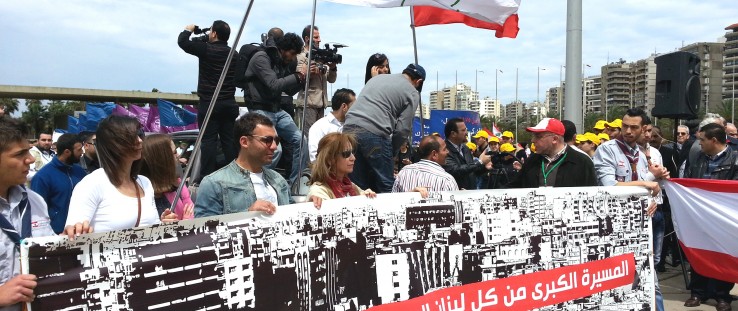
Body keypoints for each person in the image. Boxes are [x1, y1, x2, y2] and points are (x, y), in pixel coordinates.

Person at [592, 108, 665, 310]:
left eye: (634, 127)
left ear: (644, 129)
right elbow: (609, 186)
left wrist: (651, 200)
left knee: (651, 283)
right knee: (615, 286)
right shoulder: (607, 149)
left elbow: (643, 190)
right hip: (613, 228)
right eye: (625, 126)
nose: (628, 131)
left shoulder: (641, 156)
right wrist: (646, 185)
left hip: (639, 228)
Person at [64, 116, 178, 234]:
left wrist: (163, 225)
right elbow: (74, 232)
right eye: (132, 136)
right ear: (114, 143)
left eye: (140, 134)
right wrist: (77, 230)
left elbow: (152, 229)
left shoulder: (145, 182)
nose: (139, 140)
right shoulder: (91, 184)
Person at [0, 117, 55, 310]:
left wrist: (70, 241)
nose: (31, 159)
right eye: (20, 154)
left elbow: (48, 254)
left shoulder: (35, 201)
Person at [343, 63, 425, 193]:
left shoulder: (377, 78)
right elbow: (403, 129)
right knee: (386, 185)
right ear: (419, 81)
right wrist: (392, 151)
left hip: (348, 128)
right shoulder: (412, 92)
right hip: (375, 132)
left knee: (357, 186)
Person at [681, 123, 737, 311]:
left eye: (702, 139)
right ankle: (697, 292)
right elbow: (687, 182)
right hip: (699, 218)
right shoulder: (697, 158)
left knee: (723, 256)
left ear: (714, 140)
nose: (699, 143)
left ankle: (722, 296)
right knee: (698, 254)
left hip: (723, 220)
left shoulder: (735, 159)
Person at [243, 32, 309, 185]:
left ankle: (294, 184)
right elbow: (273, 85)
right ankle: (257, 182)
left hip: (276, 109)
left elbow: (289, 91)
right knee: (275, 149)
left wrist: (304, 78)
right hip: (259, 110)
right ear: (283, 49)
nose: (293, 58)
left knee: (301, 140)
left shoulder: (280, 60)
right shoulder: (261, 58)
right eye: (292, 54)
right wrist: (297, 76)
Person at [195, 113, 291, 217]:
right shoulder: (214, 184)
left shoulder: (279, 180)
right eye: (267, 140)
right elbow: (204, 229)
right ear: (244, 142)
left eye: (276, 140)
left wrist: (309, 204)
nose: (274, 146)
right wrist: (247, 215)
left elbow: (293, 214)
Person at [178, 20, 239, 181]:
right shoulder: (234, 53)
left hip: (210, 103)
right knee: (229, 142)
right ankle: (236, 175)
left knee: (208, 142)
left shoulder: (206, 50)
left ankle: (207, 178)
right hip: (229, 103)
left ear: (214, 34)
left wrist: (189, 29)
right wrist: (207, 35)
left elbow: (183, 42)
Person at [509, 118, 597, 188]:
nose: (533, 140)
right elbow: (515, 187)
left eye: (538, 136)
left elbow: (592, 196)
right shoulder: (531, 161)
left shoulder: (582, 162)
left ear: (554, 139)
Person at [30, 133, 86, 234]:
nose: (82, 152)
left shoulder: (80, 172)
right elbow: (36, 213)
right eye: (79, 150)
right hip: (56, 235)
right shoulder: (42, 177)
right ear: (67, 152)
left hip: (80, 232)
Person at [307, 132, 376, 208]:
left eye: (352, 152)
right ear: (330, 159)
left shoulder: (350, 186)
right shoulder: (319, 191)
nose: (353, 158)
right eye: (346, 154)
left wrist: (367, 197)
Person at [140, 134, 195, 220]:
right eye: (174, 152)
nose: (178, 156)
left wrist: (186, 221)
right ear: (162, 159)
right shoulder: (143, 193)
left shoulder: (178, 183)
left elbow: (191, 211)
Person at [296, 25, 338, 134]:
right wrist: (309, 72)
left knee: (319, 137)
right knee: (308, 137)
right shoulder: (300, 56)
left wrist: (333, 67)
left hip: (321, 103)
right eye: (316, 37)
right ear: (307, 39)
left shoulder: (320, 56)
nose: (319, 40)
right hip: (307, 103)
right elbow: (298, 79)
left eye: (318, 37)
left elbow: (331, 79)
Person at [393, 135, 458, 196]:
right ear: (434, 154)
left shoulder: (403, 173)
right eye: (444, 149)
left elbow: (393, 203)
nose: (447, 152)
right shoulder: (447, 180)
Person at [443, 118, 491, 190]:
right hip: (456, 195)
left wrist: (484, 167)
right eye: (463, 130)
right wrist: (480, 162)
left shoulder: (465, 148)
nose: (466, 132)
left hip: (470, 194)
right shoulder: (444, 150)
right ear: (453, 134)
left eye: (466, 129)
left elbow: (472, 171)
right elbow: (456, 171)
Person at [308, 88, 355, 162]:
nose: (356, 109)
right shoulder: (319, 127)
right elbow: (314, 157)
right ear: (344, 107)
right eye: (354, 106)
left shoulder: (353, 126)